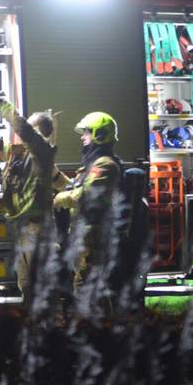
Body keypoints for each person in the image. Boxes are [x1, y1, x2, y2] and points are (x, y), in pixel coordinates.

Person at [0, 100, 68, 304]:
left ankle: (50, 329)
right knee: (27, 285)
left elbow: (25, 131)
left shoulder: (42, 152)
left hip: (38, 231)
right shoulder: (31, 158)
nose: (22, 135)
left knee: (43, 288)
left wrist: (4, 107)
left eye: (29, 128)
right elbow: (58, 180)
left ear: (37, 132)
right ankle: (33, 328)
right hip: (24, 229)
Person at [53, 111, 122, 291]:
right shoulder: (93, 164)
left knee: (89, 290)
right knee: (84, 288)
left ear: (98, 135)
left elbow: (85, 194)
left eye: (86, 132)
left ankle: (103, 320)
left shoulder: (105, 165)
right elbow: (74, 188)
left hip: (95, 239)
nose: (83, 137)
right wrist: (55, 176)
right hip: (84, 237)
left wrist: (59, 199)